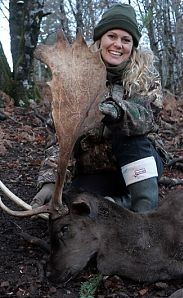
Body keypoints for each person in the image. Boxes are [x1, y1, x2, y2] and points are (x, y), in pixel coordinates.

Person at [32, 3, 167, 213]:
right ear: (100, 39)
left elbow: (147, 118)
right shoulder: (75, 78)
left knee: (133, 139)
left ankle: (144, 217)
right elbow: (60, 137)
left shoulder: (146, 79)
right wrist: (49, 182)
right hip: (94, 169)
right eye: (112, 36)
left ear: (133, 46)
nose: (118, 44)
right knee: (76, 207)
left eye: (126, 40)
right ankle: (120, 205)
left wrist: (117, 112)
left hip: (139, 163)